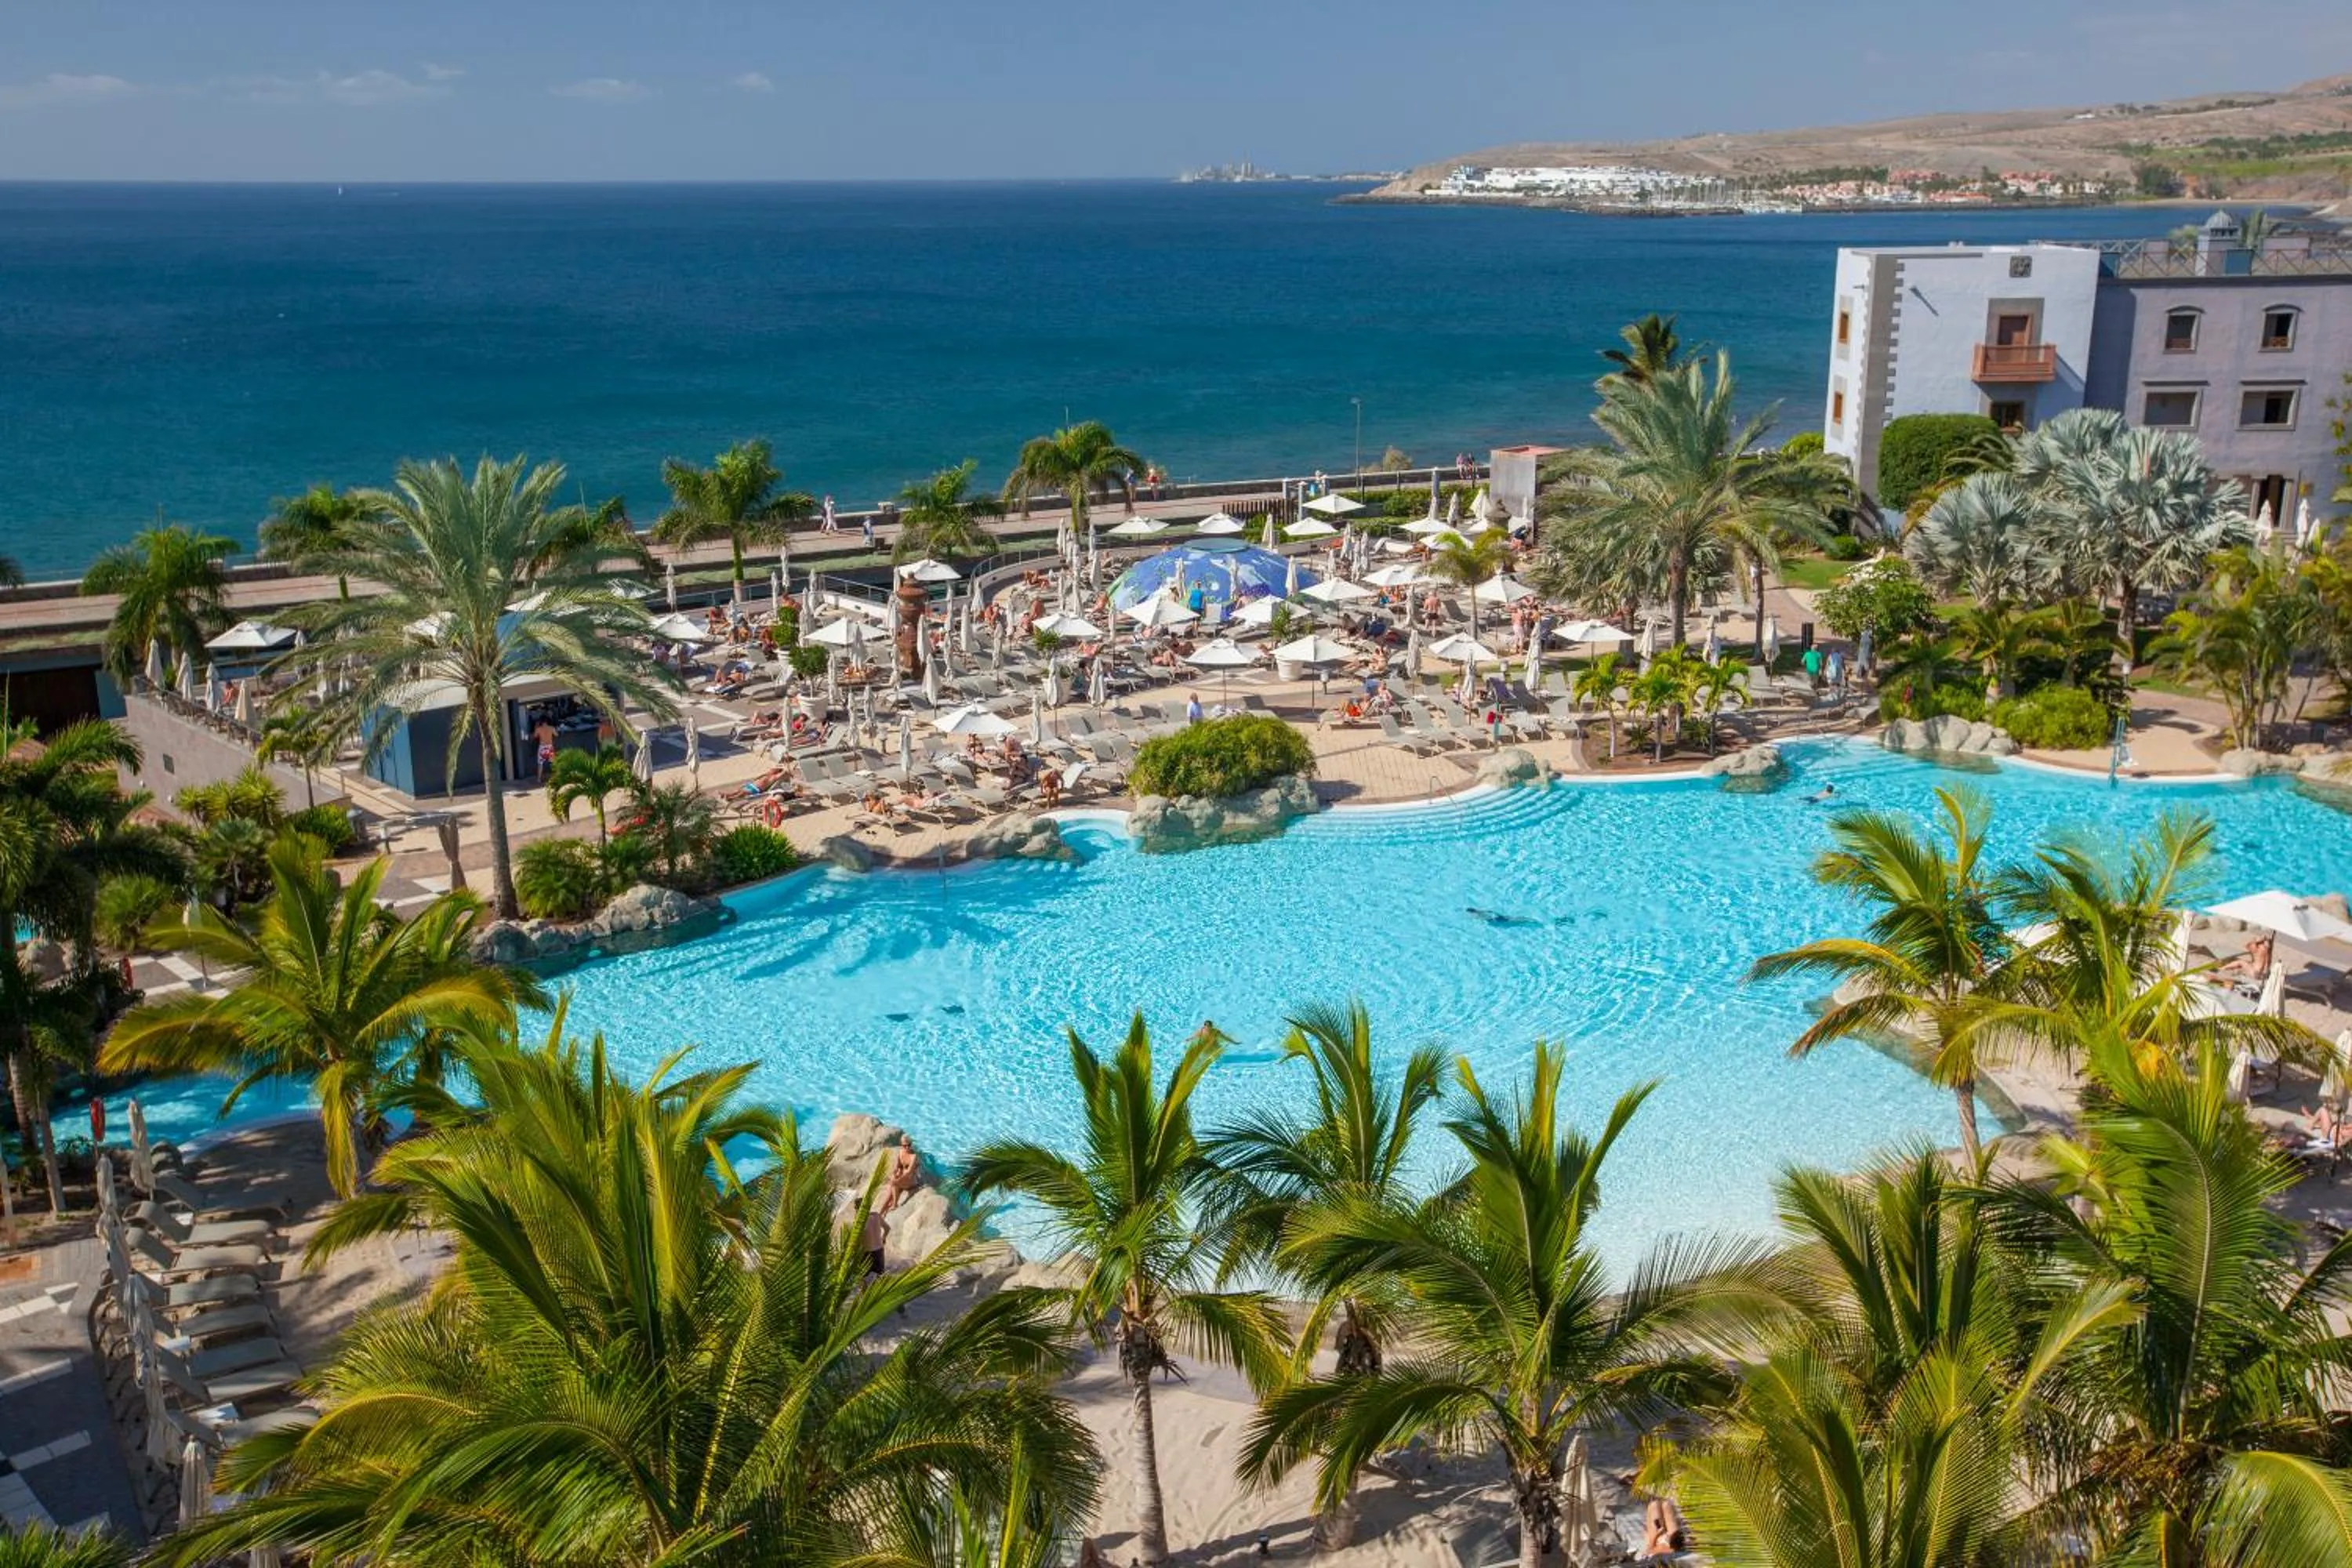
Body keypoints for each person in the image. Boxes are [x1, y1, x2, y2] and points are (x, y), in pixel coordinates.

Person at [880, 1135, 922, 1214]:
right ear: (901, 1145)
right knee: (889, 1195)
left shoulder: (914, 1156)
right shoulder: (901, 1152)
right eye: (904, 1146)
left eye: (909, 1145)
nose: (907, 1147)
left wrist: (897, 1180)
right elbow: (898, 1166)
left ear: (911, 1144)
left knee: (894, 1184)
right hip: (902, 1177)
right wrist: (895, 1173)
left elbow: (909, 1172)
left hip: (911, 1180)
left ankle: (895, 1204)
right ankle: (880, 1213)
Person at [1640, 1497, 1688, 1561]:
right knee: (1662, 1505)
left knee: (1655, 1505)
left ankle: (1663, 1500)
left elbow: (1648, 1552)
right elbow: (1648, 1552)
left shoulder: (1652, 1559)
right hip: (1673, 1545)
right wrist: (1656, 1535)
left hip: (1659, 1542)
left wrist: (1656, 1535)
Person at [859, 1207, 888, 1279]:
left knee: (861, 1277)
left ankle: (864, 1287)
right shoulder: (876, 1216)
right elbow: (887, 1228)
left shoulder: (859, 1222)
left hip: (866, 1253)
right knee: (880, 1275)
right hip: (879, 1251)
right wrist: (884, 1237)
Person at [532, 715, 559, 782]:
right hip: (550, 747)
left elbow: (535, 736)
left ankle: (539, 779)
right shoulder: (551, 728)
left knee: (540, 764)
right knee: (552, 763)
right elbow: (556, 735)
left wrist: (536, 726)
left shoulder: (539, 729)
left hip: (542, 747)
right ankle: (555, 778)